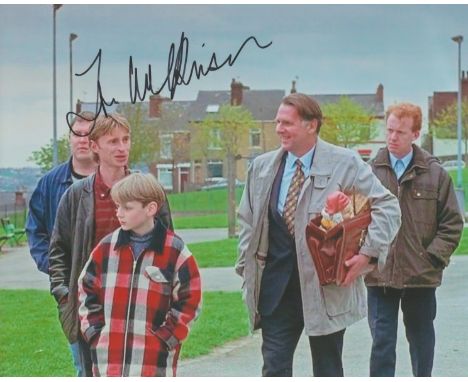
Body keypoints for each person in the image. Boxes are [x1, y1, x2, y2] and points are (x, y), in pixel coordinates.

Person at [236, 93, 401, 377]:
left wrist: (368, 254)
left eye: (287, 123)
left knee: (327, 369)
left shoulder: (345, 162)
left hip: (326, 288)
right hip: (276, 291)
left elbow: (387, 206)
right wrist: (245, 265)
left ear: (311, 125)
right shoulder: (261, 168)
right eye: (278, 122)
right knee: (274, 367)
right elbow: (247, 221)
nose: (279, 129)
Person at [49, 113, 173, 376]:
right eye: (113, 141)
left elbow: (168, 249)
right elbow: (58, 250)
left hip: (140, 308)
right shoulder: (76, 196)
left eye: (126, 140)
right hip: (89, 309)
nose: (122, 147)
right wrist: (64, 295)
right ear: (94, 146)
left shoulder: (149, 191)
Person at [365, 103, 463, 377]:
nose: (392, 137)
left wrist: (431, 257)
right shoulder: (370, 172)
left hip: (420, 276)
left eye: (400, 132)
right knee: (382, 344)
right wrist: (366, 256)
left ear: (416, 134)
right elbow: (356, 221)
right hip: (380, 274)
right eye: (389, 130)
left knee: (421, 341)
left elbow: (452, 223)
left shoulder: (435, 174)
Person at [77, 173, 201, 377]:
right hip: (109, 363)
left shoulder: (175, 251)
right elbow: (85, 289)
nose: (119, 213)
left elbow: (190, 300)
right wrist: (95, 332)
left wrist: (167, 338)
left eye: (127, 207)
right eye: (117, 206)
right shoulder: (105, 248)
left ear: (150, 209)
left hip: (153, 364)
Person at [25, 111, 98, 375]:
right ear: (69, 139)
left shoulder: (115, 179)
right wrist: (58, 276)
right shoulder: (50, 184)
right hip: (70, 288)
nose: (82, 140)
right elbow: (35, 232)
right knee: (83, 364)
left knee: (117, 362)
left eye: (88, 133)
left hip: (109, 285)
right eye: (76, 134)